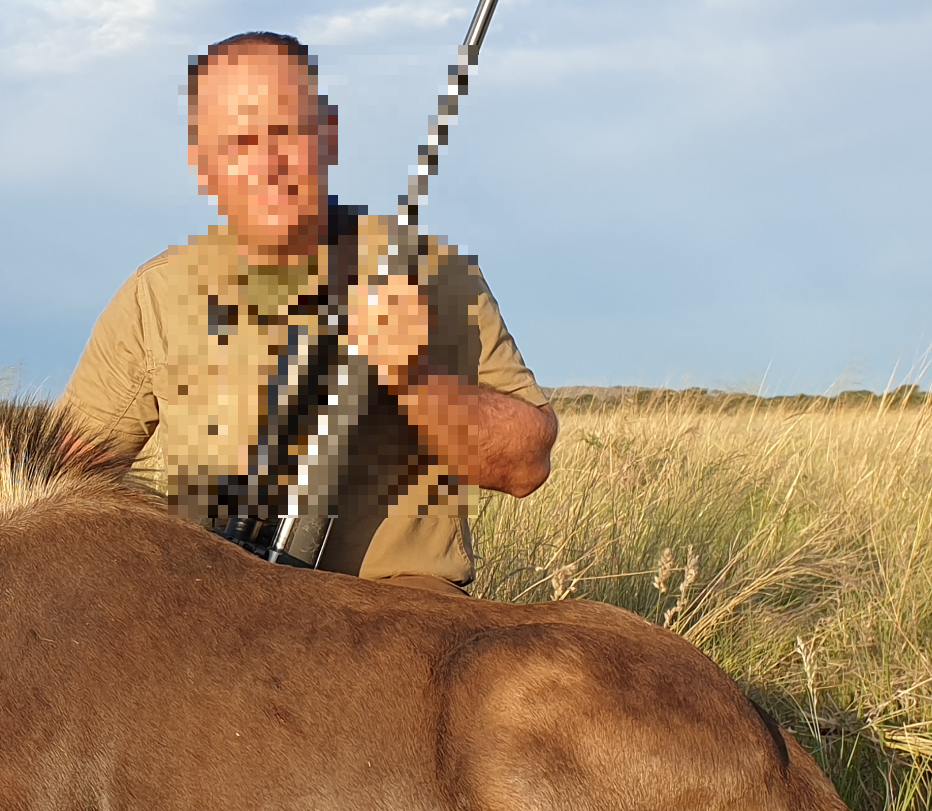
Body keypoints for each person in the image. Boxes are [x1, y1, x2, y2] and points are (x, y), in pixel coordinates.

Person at [59, 31, 558, 596]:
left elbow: (527, 463)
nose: (269, 163)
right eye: (240, 142)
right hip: (215, 613)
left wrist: (417, 378)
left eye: (287, 131)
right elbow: (62, 479)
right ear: (203, 163)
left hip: (402, 620)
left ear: (330, 134)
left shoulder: (431, 273)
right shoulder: (156, 297)